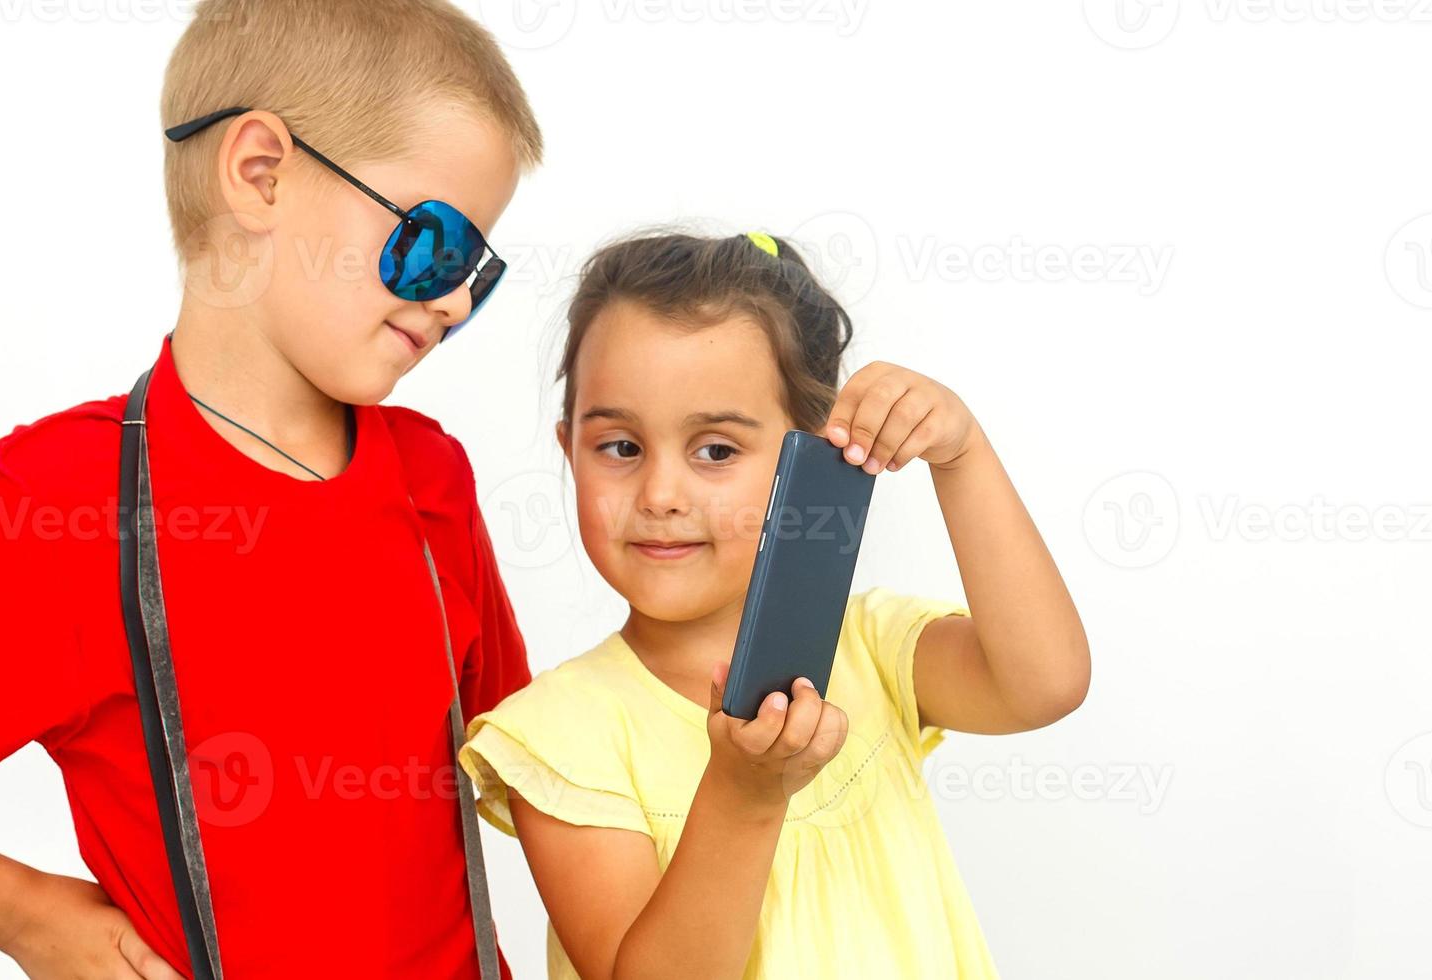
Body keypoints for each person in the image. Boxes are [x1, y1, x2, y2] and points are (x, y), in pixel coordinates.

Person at [0, 2, 544, 975]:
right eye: (433, 243)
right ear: (260, 173)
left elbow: (543, 771)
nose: (455, 295)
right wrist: (19, 911)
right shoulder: (69, 502)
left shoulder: (429, 475)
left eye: (480, 268)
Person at [459, 231, 1095, 979]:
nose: (660, 496)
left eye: (716, 451)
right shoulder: (557, 735)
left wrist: (961, 456)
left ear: (811, 456)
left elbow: (1044, 684)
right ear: (569, 449)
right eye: (621, 448)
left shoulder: (864, 647)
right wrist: (743, 797)